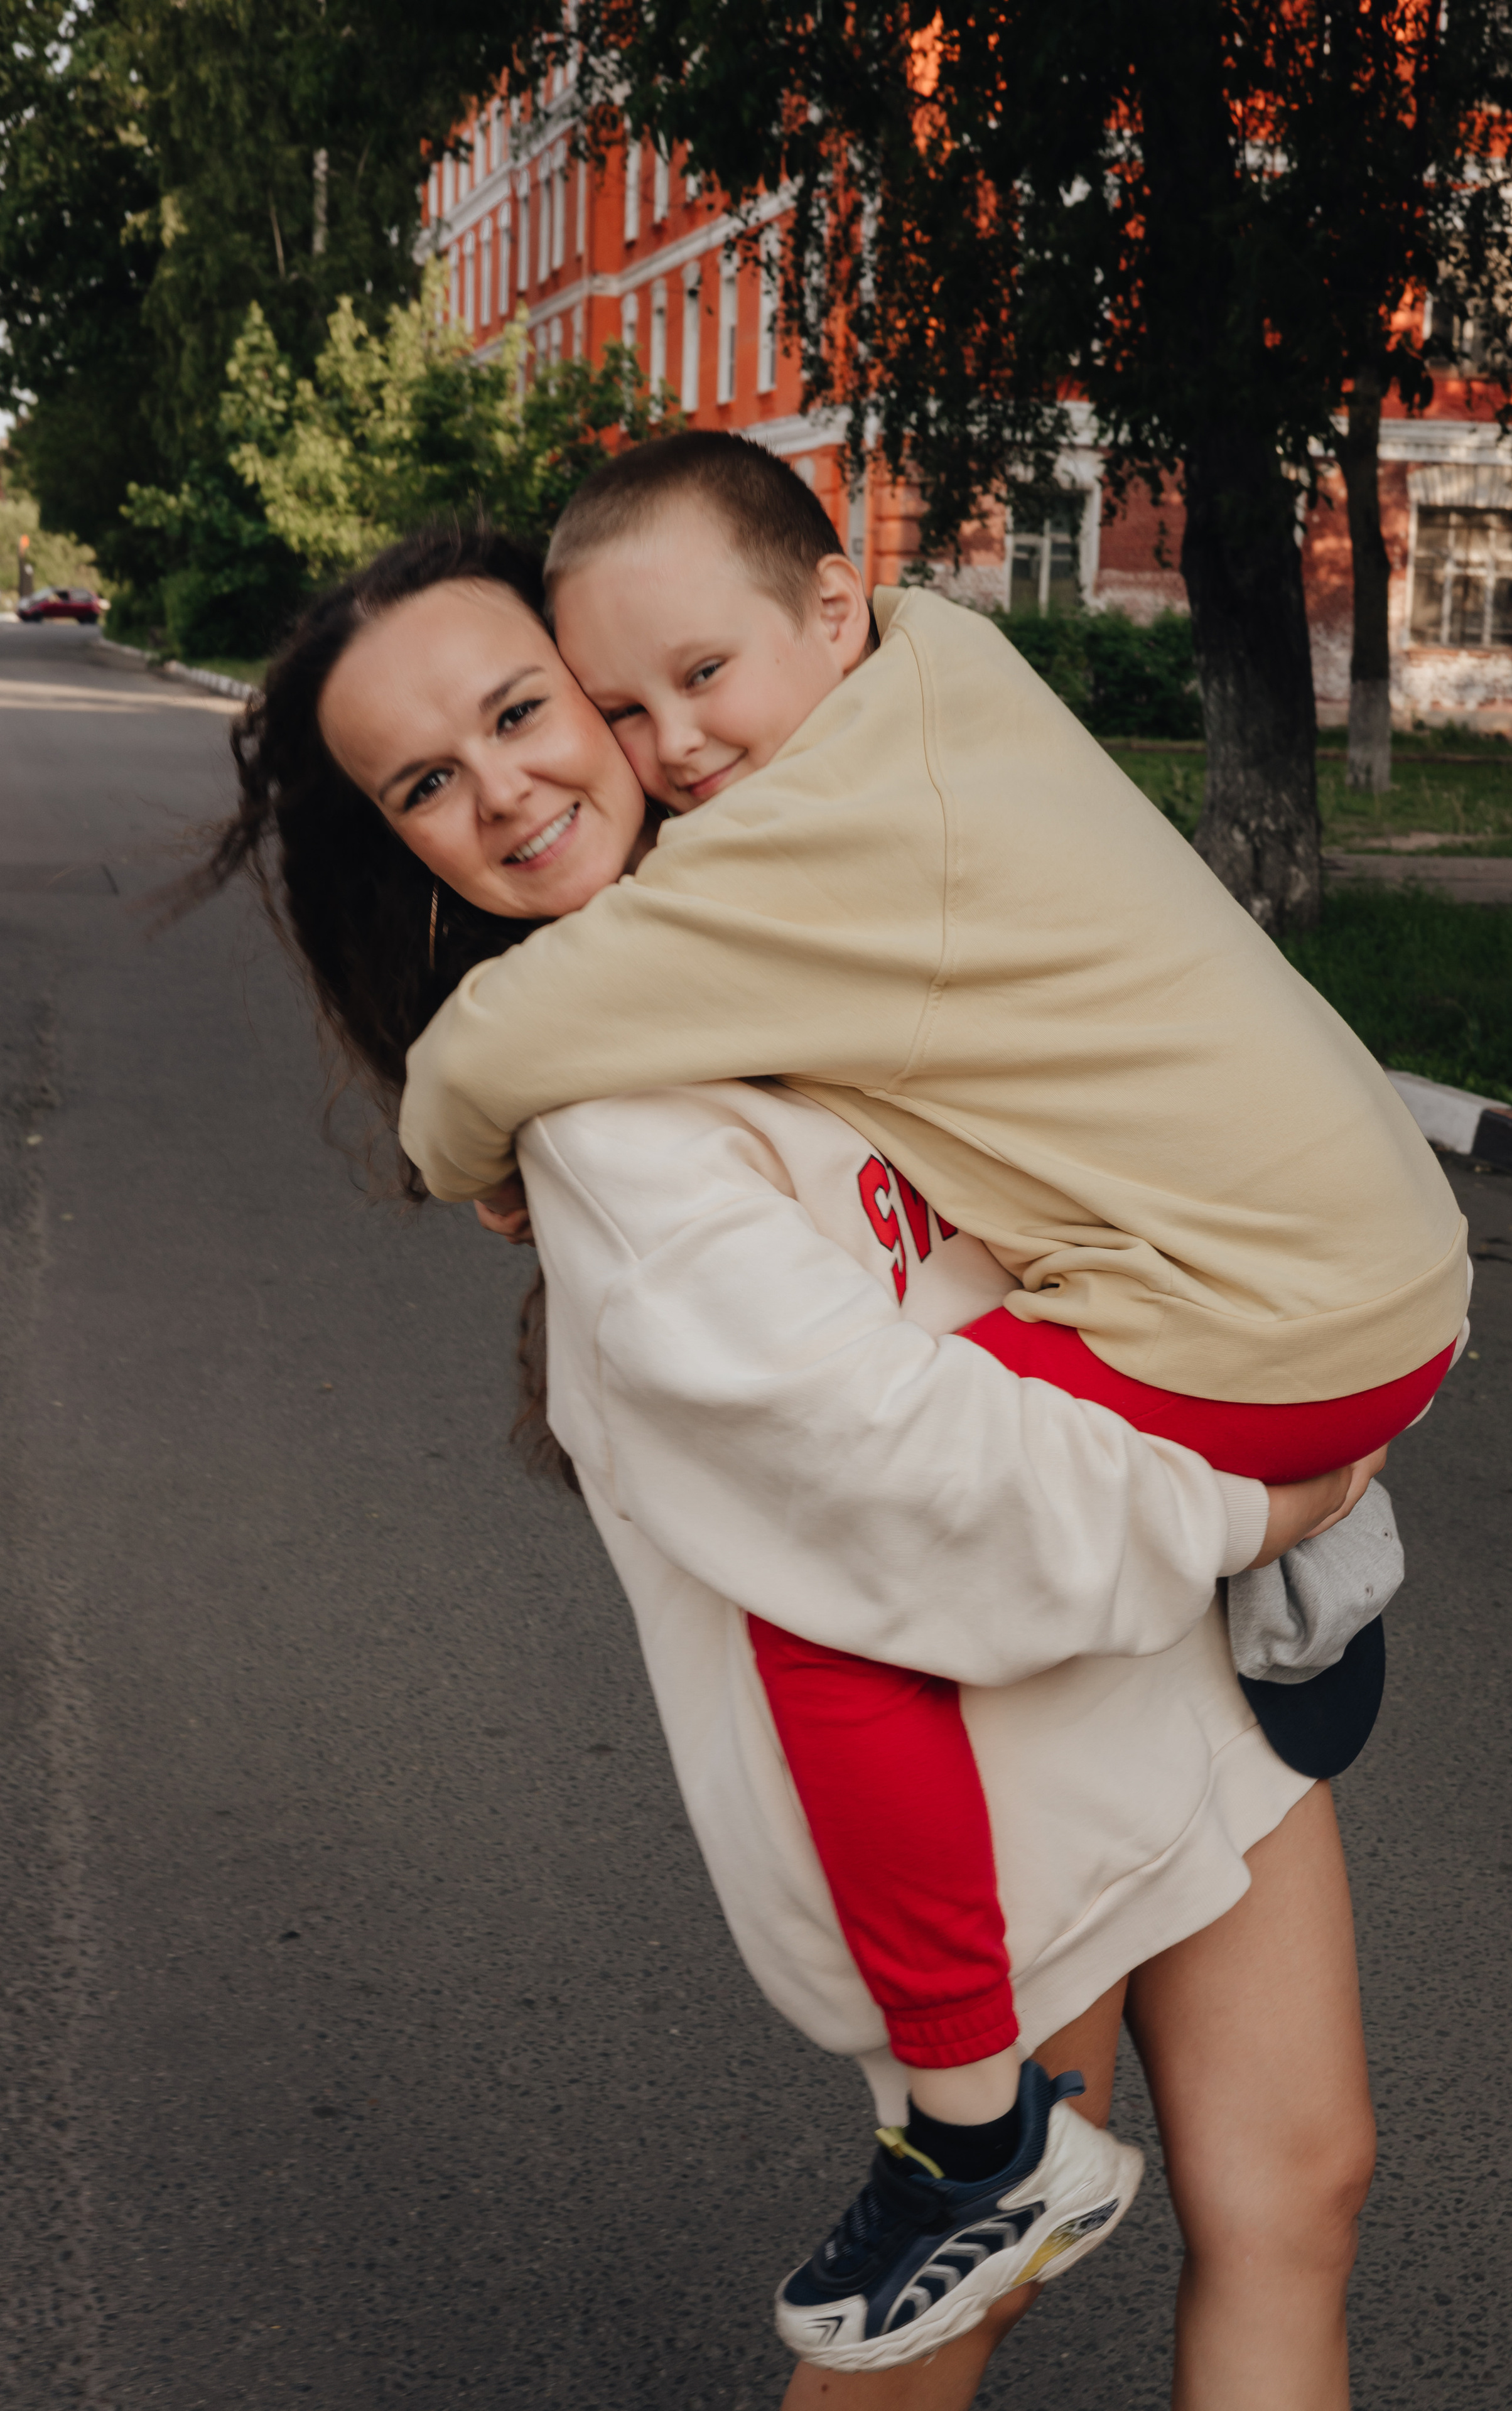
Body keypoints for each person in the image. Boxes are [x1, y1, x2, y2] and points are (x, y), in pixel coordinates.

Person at [196, 522, 1383, 2402]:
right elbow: (916, 1478)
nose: (505, 789)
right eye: (429, 780)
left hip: (1172, 1658)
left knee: (1302, 2195)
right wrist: (1258, 1506)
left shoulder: (809, 918)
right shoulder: (607, 1130)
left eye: (526, 710)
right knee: (960, 2311)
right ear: (397, 836)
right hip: (1000, 1755)